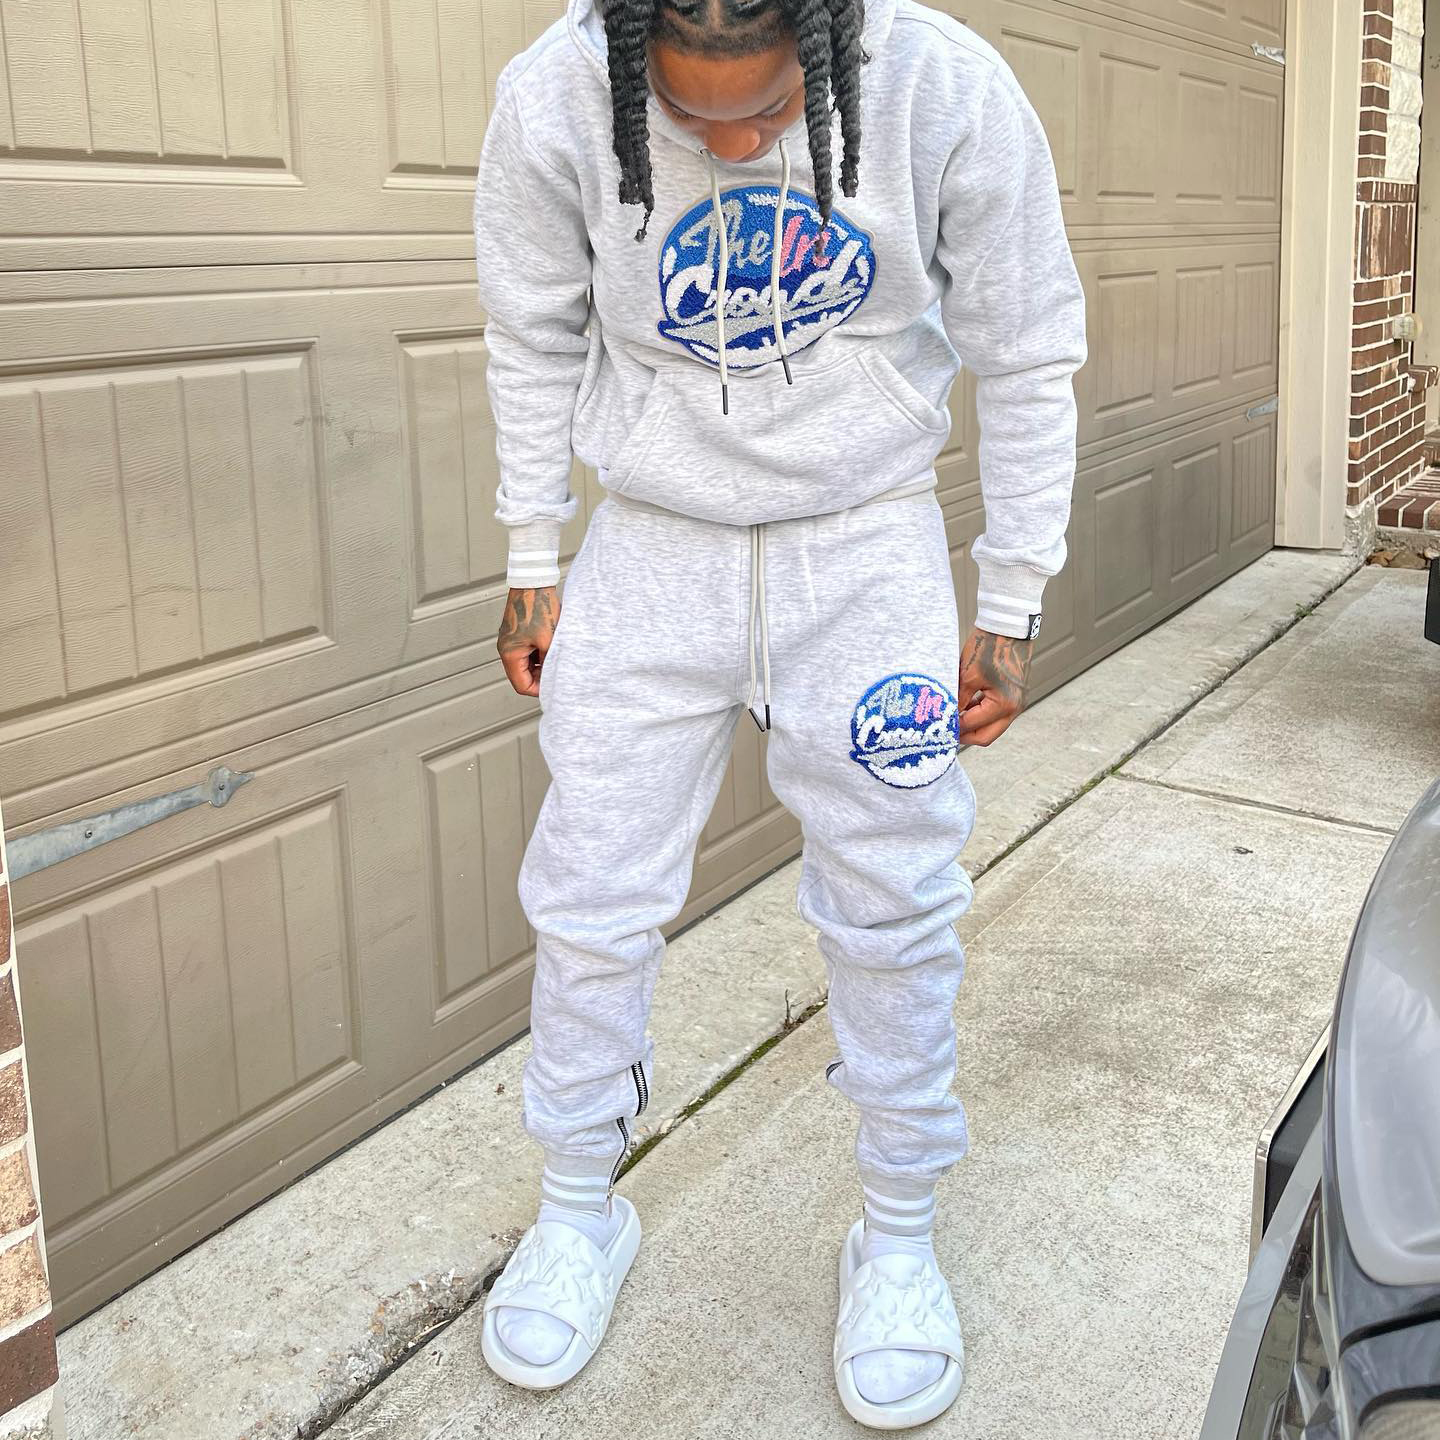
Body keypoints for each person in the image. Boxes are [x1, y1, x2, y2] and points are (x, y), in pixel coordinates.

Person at [471, 0, 1086, 1424]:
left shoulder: (942, 84)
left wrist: (1011, 598)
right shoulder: (555, 97)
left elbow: (1027, 344)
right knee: (590, 893)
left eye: (767, 110)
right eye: (692, 118)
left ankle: (899, 1232)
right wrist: (529, 557)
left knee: (897, 899)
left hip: (866, 549)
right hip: (652, 549)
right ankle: (576, 1208)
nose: (737, 144)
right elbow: (530, 333)